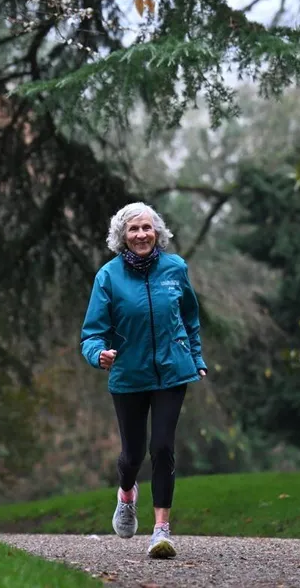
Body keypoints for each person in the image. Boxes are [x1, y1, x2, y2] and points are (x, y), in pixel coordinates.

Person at [80, 202, 207, 559]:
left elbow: (190, 317)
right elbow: (92, 334)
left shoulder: (175, 268)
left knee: (163, 447)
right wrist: (98, 354)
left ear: (158, 232)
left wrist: (195, 357)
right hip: (129, 375)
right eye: (133, 229)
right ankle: (126, 493)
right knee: (133, 455)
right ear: (122, 236)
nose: (141, 235)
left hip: (172, 371)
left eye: (147, 228)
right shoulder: (108, 276)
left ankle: (161, 531)